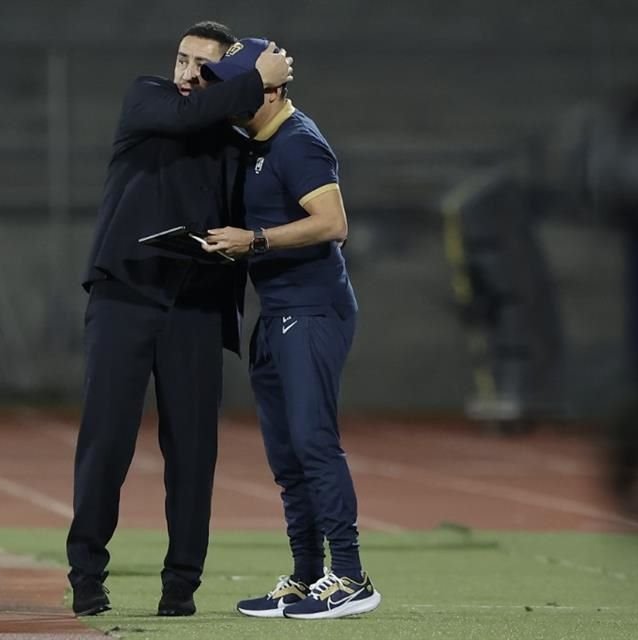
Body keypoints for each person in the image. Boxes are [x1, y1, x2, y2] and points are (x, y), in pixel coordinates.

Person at [67, 22, 293, 617]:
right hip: (126, 294)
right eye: (182, 59)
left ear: (223, 74)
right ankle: (86, 576)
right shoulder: (147, 98)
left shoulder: (237, 135)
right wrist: (252, 79)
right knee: (107, 440)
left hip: (196, 304)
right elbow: (187, 116)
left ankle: (181, 586)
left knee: (193, 452)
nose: (187, 72)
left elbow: (270, 147)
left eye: (202, 65)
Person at [201, 38, 382, 620]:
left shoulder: (298, 140)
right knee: (286, 453)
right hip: (279, 311)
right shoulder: (259, 141)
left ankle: (351, 577)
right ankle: (307, 575)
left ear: (271, 89)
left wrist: (254, 240)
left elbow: (333, 223)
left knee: (312, 443)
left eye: (242, 84)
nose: (231, 94)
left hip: (310, 309)